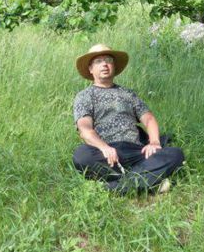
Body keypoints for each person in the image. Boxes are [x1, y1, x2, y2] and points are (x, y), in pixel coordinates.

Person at [72, 43, 184, 194]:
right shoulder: (84, 96)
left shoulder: (128, 94)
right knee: (81, 155)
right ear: (91, 69)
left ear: (114, 66)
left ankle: (113, 187)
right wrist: (104, 147)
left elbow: (149, 119)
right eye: (98, 61)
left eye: (108, 60)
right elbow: (85, 128)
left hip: (137, 151)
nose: (104, 64)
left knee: (175, 154)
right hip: (107, 153)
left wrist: (154, 142)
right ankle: (147, 181)